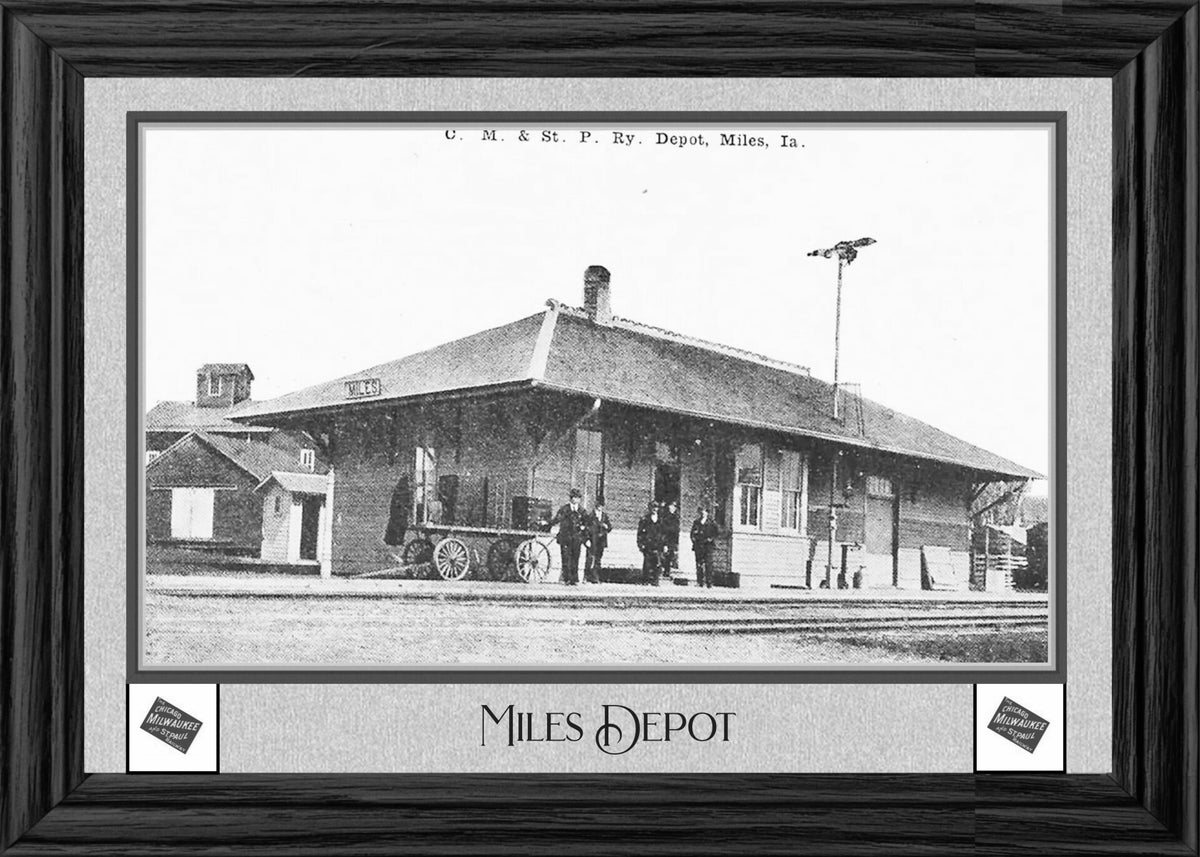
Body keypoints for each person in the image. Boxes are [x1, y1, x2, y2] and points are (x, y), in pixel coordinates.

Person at [550, 488, 588, 585]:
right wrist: (547, 525)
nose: (577, 500)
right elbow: (557, 519)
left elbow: (587, 523)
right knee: (566, 558)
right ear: (571, 498)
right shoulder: (564, 509)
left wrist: (584, 534)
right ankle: (566, 579)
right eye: (575, 497)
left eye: (578, 498)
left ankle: (574, 579)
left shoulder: (582, 511)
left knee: (575, 558)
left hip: (577, 539)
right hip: (565, 538)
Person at [636, 501, 666, 586]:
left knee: (657, 562)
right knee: (647, 563)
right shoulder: (645, 519)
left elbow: (664, 533)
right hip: (648, 544)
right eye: (653, 507)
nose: (654, 509)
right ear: (649, 508)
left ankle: (655, 580)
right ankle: (646, 580)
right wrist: (640, 544)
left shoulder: (661, 520)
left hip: (658, 544)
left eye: (656, 507)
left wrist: (665, 545)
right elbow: (640, 533)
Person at [583, 499, 612, 584]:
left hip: (601, 541)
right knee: (589, 558)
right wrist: (586, 540)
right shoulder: (590, 516)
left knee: (598, 559)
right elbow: (586, 528)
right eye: (599, 506)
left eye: (602, 506)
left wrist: (606, 526)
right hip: (592, 540)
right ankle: (586, 576)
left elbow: (610, 527)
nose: (600, 507)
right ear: (596, 506)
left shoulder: (604, 516)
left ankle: (595, 577)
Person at [690, 506, 719, 589]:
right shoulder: (696, 522)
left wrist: (711, 539)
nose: (703, 513)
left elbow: (716, 533)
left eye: (705, 511)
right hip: (699, 545)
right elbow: (692, 534)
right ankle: (700, 582)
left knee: (708, 564)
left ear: (707, 513)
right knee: (699, 564)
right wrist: (694, 541)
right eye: (701, 511)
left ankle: (709, 582)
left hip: (708, 546)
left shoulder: (711, 523)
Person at [383, 475, 412, 547]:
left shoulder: (400, 491)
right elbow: (400, 503)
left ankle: (396, 540)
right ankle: (395, 540)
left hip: (399, 512)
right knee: (399, 525)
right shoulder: (403, 491)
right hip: (398, 512)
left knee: (398, 525)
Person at [662, 499, 681, 578]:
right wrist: (665, 543)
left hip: (673, 539)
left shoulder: (677, 517)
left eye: (674, 507)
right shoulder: (666, 517)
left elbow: (677, 530)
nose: (672, 508)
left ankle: (668, 571)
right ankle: (666, 571)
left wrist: (677, 542)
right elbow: (664, 530)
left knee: (671, 556)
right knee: (666, 555)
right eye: (671, 507)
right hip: (667, 538)